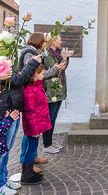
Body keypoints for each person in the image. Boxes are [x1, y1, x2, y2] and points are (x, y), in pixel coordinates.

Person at [0, 34, 41, 194]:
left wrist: (27, 66)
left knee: (6, 149)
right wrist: (33, 65)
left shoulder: (5, 62)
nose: (5, 48)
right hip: (5, 110)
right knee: (0, 150)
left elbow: (16, 77)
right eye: (1, 45)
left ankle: (3, 180)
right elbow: (18, 79)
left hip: (13, 109)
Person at [18, 32, 64, 163]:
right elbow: (32, 74)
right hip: (31, 92)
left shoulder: (35, 52)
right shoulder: (29, 53)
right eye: (44, 41)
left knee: (35, 129)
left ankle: (33, 156)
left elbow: (40, 74)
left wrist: (55, 69)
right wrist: (54, 69)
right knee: (30, 131)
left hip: (37, 90)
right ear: (39, 42)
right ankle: (26, 160)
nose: (45, 44)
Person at [21, 64, 52, 184]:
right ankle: (26, 175)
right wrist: (34, 129)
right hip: (33, 127)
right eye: (42, 73)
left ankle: (30, 172)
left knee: (32, 148)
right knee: (31, 149)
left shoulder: (37, 86)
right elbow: (30, 112)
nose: (44, 75)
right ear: (35, 75)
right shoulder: (30, 90)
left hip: (38, 125)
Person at [43, 34, 72, 154]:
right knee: (49, 118)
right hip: (52, 91)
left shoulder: (57, 53)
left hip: (58, 90)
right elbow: (56, 71)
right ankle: (47, 144)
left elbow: (62, 68)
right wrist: (64, 59)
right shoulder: (48, 55)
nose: (61, 41)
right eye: (59, 39)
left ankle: (49, 143)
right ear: (53, 41)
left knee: (53, 118)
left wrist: (65, 58)